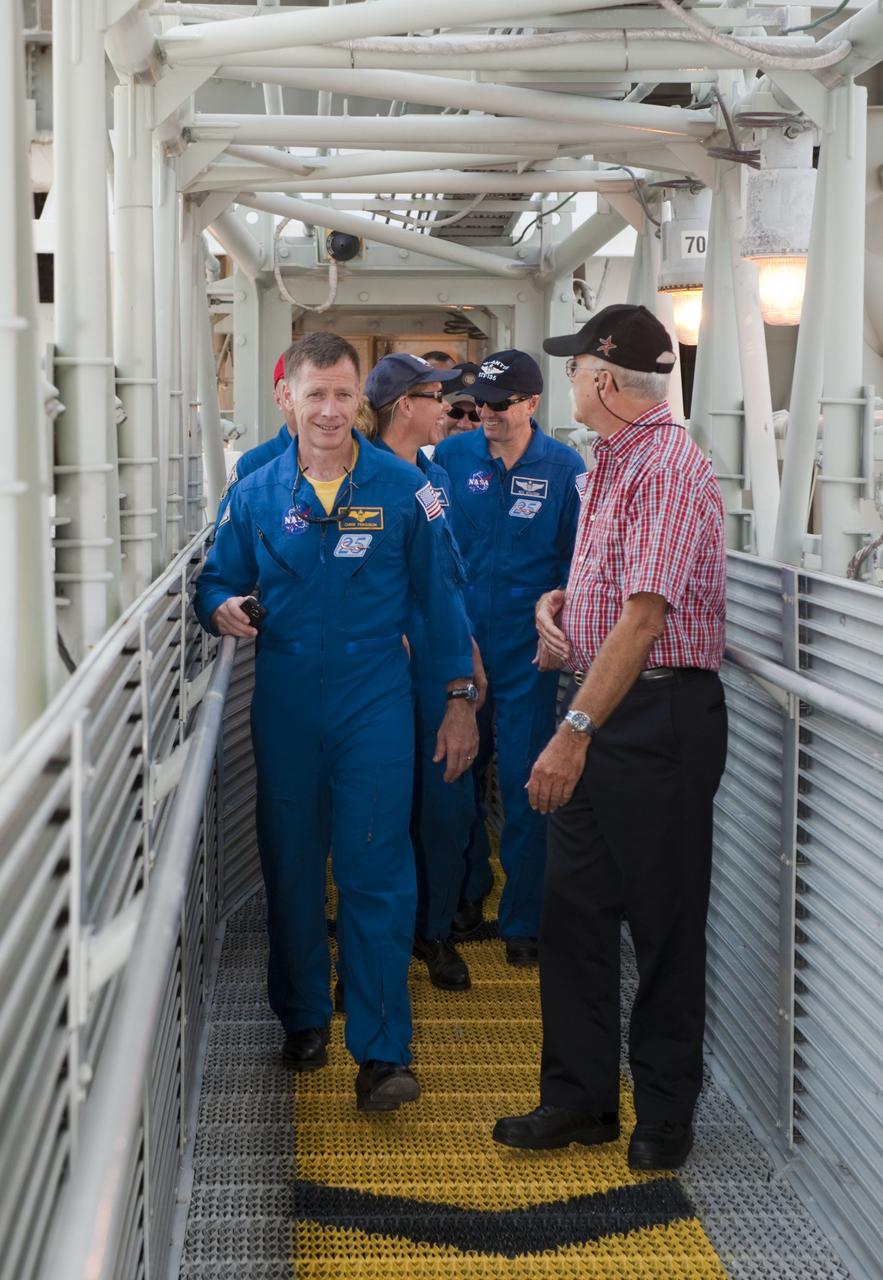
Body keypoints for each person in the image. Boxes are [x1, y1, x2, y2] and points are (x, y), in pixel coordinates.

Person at [194, 333, 478, 1113]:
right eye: (314, 394)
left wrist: (458, 700)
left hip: (374, 705)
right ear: (286, 398)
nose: (328, 410)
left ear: (362, 402)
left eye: (342, 395)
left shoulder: (403, 490)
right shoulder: (253, 489)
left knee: (374, 869)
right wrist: (216, 603)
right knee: (289, 865)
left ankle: (383, 1053)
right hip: (284, 702)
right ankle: (303, 1019)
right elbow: (217, 576)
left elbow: (440, 599)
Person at [492, 304, 728, 1171]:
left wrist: (572, 731)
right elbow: (605, 595)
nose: (565, 385)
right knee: (574, 913)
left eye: (571, 371)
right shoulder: (611, 462)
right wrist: (557, 610)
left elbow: (644, 616)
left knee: (663, 923)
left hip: (651, 718)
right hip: (602, 703)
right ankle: (579, 1101)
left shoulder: (664, 464)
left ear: (600, 379)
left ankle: (664, 1113)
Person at [433, 350, 586, 965]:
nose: (486, 416)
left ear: (531, 405)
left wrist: (561, 622)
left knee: (529, 783)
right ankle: (465, 896)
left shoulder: (565, 468)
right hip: (459, 647)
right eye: (476, 406)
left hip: (528, 656)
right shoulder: (450, 459)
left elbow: (582, 564)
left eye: (499, 405)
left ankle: (523, 919)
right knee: (456, 775)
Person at [362, 353, 484, 993]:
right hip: (381, 669)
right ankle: (374, 946)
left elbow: (448, 577)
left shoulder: (430, 480)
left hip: (440, 662)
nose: (448, 410)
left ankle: (432, 931)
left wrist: (469, 655)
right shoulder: (357, 477)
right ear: (404, 406)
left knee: (446, 801)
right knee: (378, 811)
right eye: (437, 397)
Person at [216, 351, 294, 524]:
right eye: (290, 392)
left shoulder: (364, 461)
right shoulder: (252, 466)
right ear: (279, 398)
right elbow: (225, 542)